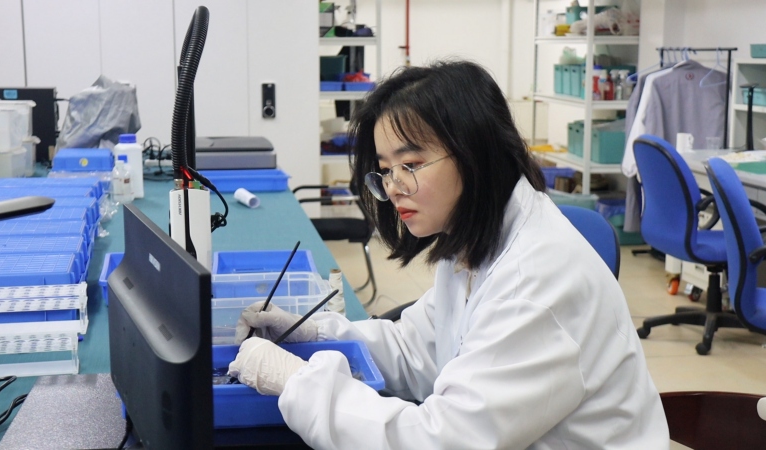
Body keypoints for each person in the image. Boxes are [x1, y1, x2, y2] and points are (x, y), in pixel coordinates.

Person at [229, 60, 669, 449]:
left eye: (411, 165)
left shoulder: (535, 282)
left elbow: (440, 439)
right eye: (385, 171)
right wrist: (316, 334)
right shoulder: (474, 234)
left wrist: (298, 383)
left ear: (475, 153)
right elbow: (417, 349)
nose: (394, 187)